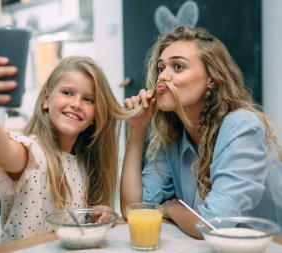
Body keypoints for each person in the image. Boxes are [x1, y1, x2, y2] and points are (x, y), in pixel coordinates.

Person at [120, 26, 282, 238]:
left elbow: (214, 225)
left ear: (211, 79)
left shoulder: (242, 127)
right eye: (161, 68)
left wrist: (171, 208)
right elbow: (133, 209)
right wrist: (137, 130)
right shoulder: (175, 140)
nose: (163, 77)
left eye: (178, 66)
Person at [0, 55, 128, 242]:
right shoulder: (31, 154)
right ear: (46, 99)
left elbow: (69, 224)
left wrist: (93, 215)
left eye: (88, 99)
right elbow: (1, 150)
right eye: (67, 93)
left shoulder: (83, 165)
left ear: (96, 115)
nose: (76, 104)